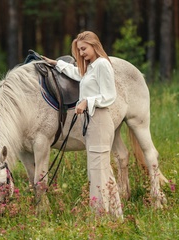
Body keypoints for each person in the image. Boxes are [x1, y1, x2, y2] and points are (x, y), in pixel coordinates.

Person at [42, 31, 123, 218]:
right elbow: (77, 74)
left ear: (94, 45)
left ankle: (99, 218)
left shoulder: (102, 64)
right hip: (92, 122)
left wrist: (87, 102)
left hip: (100, 120)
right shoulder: (91, 67)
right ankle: (116, 217)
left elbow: (110, 95)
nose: (81, 53)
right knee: (102, 171)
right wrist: (56, 63)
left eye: (84, 49)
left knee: (97, 172)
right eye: (79, 50)